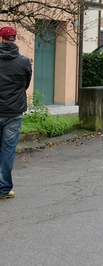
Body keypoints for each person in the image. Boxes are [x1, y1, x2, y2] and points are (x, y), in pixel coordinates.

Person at [0, 26, 32, 199]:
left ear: (1, 38)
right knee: (7, 150)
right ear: (14, 39)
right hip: (14, 112)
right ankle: (4, 189)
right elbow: (25, 85)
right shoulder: (24, 61)